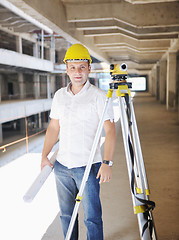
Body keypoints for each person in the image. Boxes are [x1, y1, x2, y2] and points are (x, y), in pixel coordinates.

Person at [41, 43, 116, 240]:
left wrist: (107, 162)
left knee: (92, 218)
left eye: (82, 66)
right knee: (67, 216)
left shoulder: (99, 97)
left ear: (89, 69)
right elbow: (54, 128)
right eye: (73, 67)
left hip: (88, 166)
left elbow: (110, 130)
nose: (77, 72)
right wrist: (43, 156)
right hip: (62, 167)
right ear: (67, 69)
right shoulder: (59, 96)